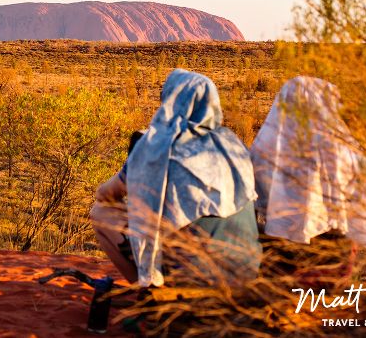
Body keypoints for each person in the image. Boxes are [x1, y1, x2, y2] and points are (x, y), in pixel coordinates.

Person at [90, 69, 261, 288]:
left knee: (101, 212)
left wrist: (141, 197)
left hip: (189, 276)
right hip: (246, 271)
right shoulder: (232, 145)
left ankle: (149, 290)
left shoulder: (155, 148)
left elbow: (105, 195)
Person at [250, 76, 366, 287]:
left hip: (283, 258)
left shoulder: (266, 148)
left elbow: (251, 200)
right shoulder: (348, 153)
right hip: (335, 261)